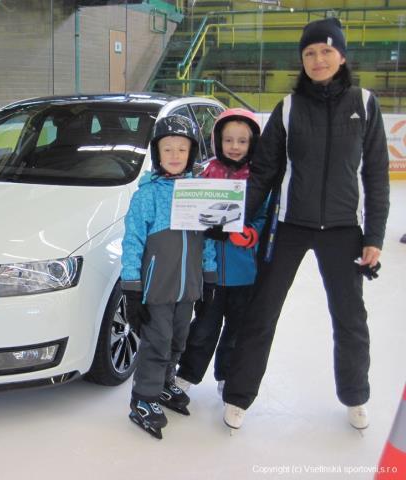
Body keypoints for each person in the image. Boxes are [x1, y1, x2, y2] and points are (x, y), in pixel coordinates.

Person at [221, 17, 390, 432]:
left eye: (326, 51)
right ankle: (239, 396)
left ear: (342, 55)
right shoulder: (289, 107)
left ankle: (354, 396)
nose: (318, 59)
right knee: (262, 312)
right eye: (310, 53)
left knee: (350, 318)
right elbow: (263, 172)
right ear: (302, 59)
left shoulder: (364, 104)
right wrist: (232, 218)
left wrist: (374, 237)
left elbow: (376, 176)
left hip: (343, 229)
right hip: (290, 226)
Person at [121, 114, 217, 439]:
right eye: (167, 149)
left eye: (182, 149)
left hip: (188, 286)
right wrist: (132, 289)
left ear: (192, 153)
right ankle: (143, 399)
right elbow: (132, 242)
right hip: (157, 288)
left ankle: (164, 383)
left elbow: (206, 241)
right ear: (157, 153)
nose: (175, 155)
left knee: (178, 340)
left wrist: (210, 277)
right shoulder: (146, 195)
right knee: (156, 343)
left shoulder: (199, 193)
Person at [174, 108, 266, 398]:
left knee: (236, 331)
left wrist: (249, 234)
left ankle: (228, 375)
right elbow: (188, 212)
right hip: (209, 272)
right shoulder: (204, 173)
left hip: (245, 273)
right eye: (228, 140)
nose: (235, 147)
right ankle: (187, 374)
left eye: (242, 141)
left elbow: (265, 217)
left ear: (252, 143)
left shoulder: (259, 178)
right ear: (217, 141)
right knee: (203, 327)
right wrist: (202, 230)